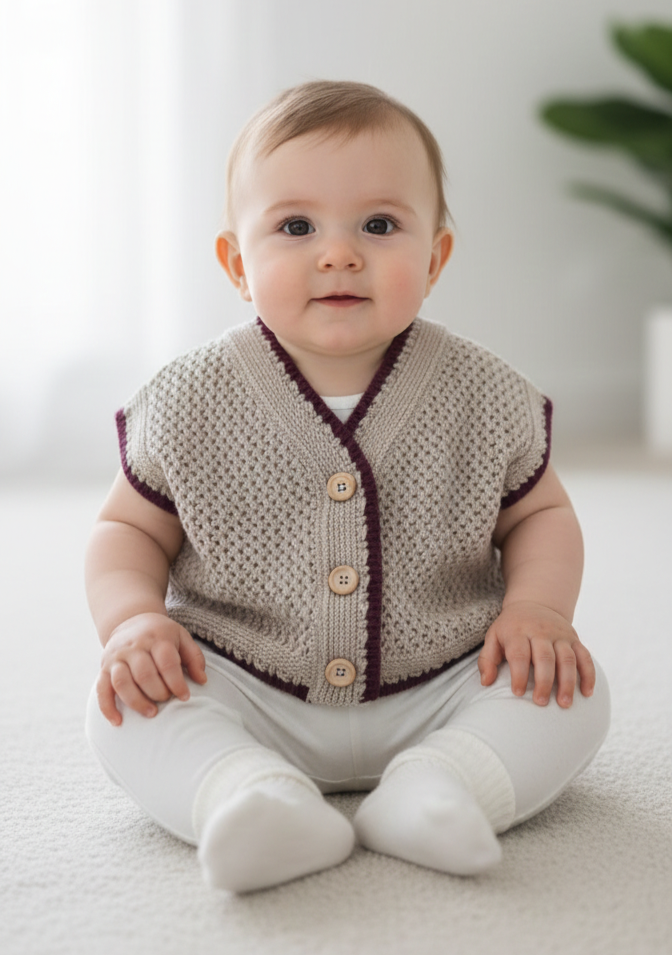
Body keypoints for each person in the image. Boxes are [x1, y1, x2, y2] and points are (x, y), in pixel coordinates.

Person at [85, 80, 610, 894]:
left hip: (443, 672)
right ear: (236, 262)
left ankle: (442, 785)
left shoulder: (482, 390)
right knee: (124, 709)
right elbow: (126, 533)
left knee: (573, 690)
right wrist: (132, 623)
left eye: (379, 224)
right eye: (295, 227)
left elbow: (541, 511)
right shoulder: (189, 399)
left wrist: (537, 611)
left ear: (434, 257)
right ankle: (250, 795)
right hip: (246, 677)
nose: (339, 253)